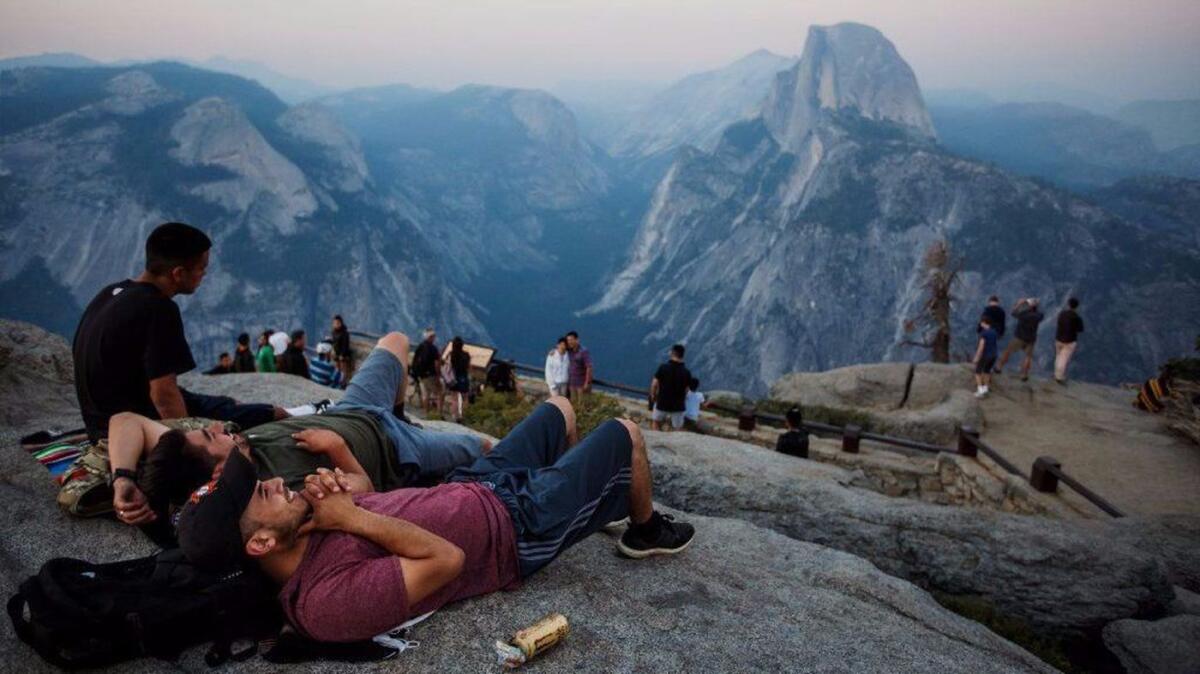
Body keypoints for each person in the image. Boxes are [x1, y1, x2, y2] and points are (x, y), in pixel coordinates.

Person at [174, 396, 696, 643]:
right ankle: (644, 531)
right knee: (625, 433)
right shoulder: (325, 604)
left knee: (559, 408)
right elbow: (447, 560)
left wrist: (350, 487)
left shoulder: (306, 526)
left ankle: (587, 498)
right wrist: (351, 518)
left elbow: (384, 505)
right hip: (513, 531)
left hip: (472, 485)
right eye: (256, 495)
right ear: (261, 542)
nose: (268, 482)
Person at [108, 332, 491, 536]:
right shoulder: (275, 492)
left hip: (353, 407)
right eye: (211, 439)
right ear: (216, 475)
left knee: (394, 341)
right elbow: (365, 492)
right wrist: (338, 448)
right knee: (482, 446)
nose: (214, 428)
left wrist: (123, 479)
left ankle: (400, 413)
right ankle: (408, 427)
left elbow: (126, 420)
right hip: (397, 447)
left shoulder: (229, 445)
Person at [72, 222, 285, 443]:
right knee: (270, 415)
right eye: (201, 268)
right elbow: (163, 395)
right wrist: (189, 446)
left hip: (103, 419)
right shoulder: (158, 308)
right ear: (178, 273)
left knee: (230, 404)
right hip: (132, 427)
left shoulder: (110, 293)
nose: (204, 274)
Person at [995, 298, 1044, 381]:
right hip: (1031, 339)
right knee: (1028, 357)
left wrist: (1019, 304)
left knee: (1007, 352)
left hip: (1019, 337)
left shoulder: (1023, 315)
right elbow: (1041, 314)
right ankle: (1024, 375)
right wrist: (1036, 304)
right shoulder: (1038, 316)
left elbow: (1013, 313)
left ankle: (999, 367)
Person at [649, 345, 691, 432]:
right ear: (682, 355)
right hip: (678, 404)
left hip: (662, 401)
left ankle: (656, 440)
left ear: (672, 353)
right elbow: (687, 390)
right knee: (678, 428)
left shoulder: (663, 367)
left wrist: (653, 395)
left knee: (656, 422)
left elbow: (654, 384)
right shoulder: (686, 372)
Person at [411, 328, 443, 415]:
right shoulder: (433, 348)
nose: (434, 338)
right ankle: (438, 414)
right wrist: (438, 375)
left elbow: (415, 359)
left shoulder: (420, 346)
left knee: (426, 394)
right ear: (431, 337)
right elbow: (437, 364)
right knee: (439, 392)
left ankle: (426, 413)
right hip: (431, 374)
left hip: (421, 374)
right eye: (433, 336)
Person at [1054, 297, 1084, 385]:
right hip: (1069, 341)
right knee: (1063, 359)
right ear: (1077, 307)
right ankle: (1059, 377)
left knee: (1058, 356)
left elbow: (1058, 322)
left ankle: (1056, 373)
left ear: (1068, 304)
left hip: (1059, 338)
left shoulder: (1061, 314)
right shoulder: (1077, 318)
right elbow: (1080, 329)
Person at [972, 316, 999, 398]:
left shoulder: (984, 333)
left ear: (984, 323)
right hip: (994, 355)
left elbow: (981, 346)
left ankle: (980, 390)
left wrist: (976, 357)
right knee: (987, 371)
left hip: (986, 355)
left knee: (977, 372)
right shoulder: (994, 332)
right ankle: (986, 388)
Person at [446, 337, 472, 421]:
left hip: (453, 378)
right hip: (463, 377)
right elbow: (468, 367)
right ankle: (464, 416)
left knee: (454, 398)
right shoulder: (466, 355)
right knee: (465, 398)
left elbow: (448, 367)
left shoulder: (451, 354)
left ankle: (455, 416)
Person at [565, 331, 593, 404]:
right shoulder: (569, 350)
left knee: (582, 405)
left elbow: (589, 367)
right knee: (573, 405)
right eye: (568, 340)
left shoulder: (583, 351)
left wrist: (587, 382)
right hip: (572, 383)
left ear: (577, 340)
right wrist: (553, 351)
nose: (569, 342)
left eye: (571, 340)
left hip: (581, 384)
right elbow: (559, 347)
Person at [331, 315, 353, 386]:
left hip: (344, 354)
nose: (335, 325)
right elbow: (334, 343)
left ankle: (343, 383)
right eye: (334, 323)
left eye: (337, 323)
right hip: (337, 353)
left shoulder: (344, 333)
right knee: (337, 368)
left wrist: (342, 355)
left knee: (343, 369)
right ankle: (337, 381)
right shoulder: (334, 332)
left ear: (341, 323)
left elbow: (345, 345)